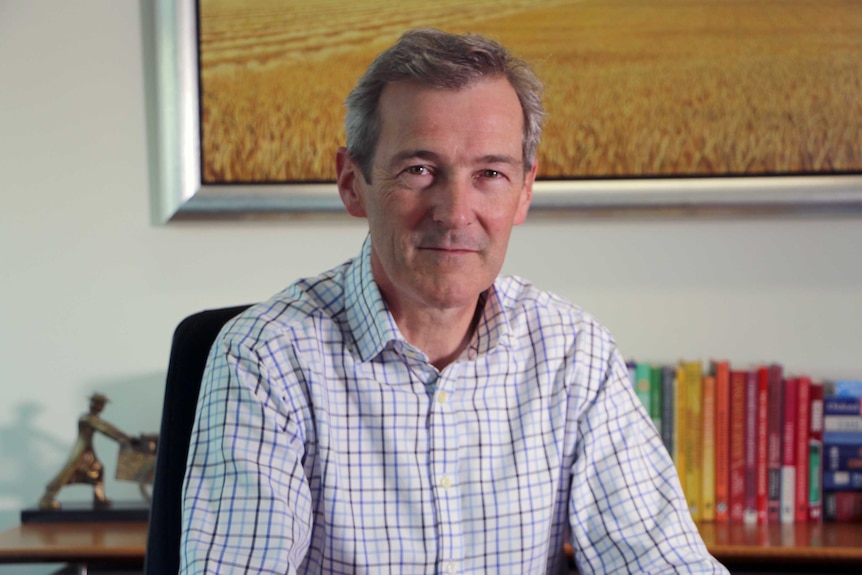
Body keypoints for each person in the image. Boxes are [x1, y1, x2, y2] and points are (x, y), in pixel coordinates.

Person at [181, 28, 728, 574]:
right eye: (419, 170)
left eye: (490, 173)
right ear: (353, 182)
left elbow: (662, 562)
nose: (456, 211)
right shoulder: (264, 357)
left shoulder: (573, 354)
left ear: (525, 192)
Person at [39, 393, 131, 510]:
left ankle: (99, 499)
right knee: (66, 474)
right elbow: (106, 429)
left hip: (87, 450)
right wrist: (126, 439)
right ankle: (46, 500)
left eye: (102, 404)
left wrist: (126, 438)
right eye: (98, 404)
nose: (100, 407)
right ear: (92, 404)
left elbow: (107, 428)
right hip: (81, 451)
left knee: (98, 469)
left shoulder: (92, 418)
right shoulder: (87, 418)